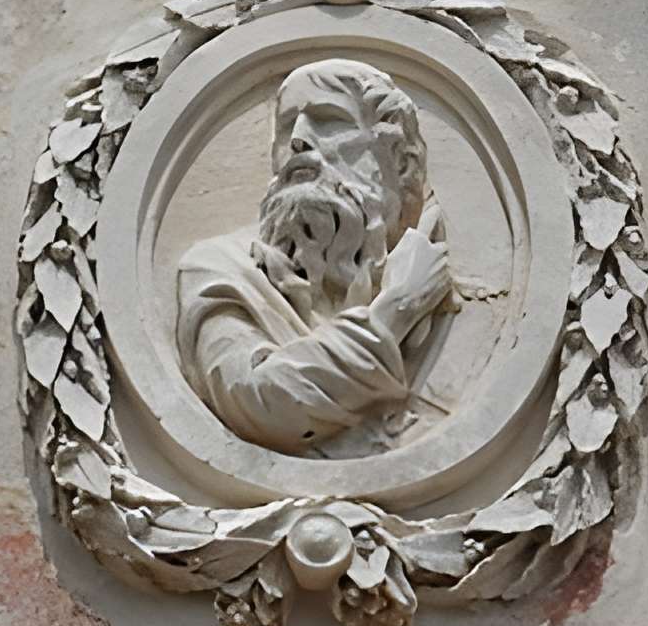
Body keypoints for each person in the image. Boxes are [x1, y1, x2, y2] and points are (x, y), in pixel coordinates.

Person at [174, 58, 456, 454]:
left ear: (400, 161)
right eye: (288, 127)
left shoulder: (438, 275)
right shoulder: (222, 268)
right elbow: (258, 400)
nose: (299, 140)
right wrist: (395, 313)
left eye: (329, 121)